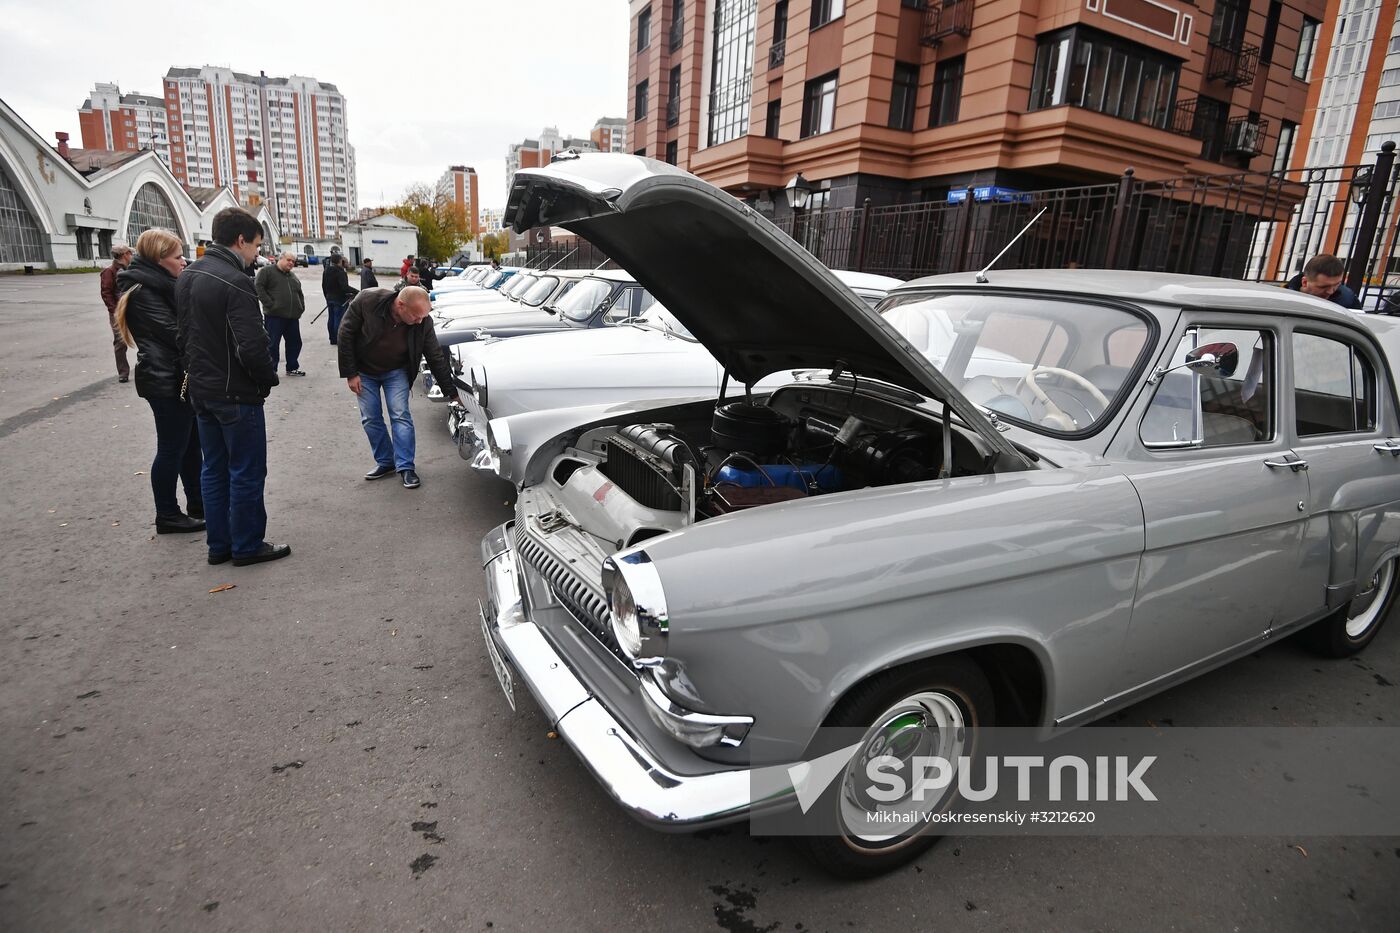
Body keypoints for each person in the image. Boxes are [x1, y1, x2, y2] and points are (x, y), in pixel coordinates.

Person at [176, 206, 290, 568]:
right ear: (240, 240)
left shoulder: (188, 275)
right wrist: (266, 380)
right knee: (245, 471)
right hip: (236, 393)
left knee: (214, 469)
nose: (257, 253)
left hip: (202, 390)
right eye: (256, 245)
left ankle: (219, 544)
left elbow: (183, 336)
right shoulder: (236, 280)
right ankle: (246, 544)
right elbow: (252, 345)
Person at [113, 229, 204, 535]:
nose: (183, 261)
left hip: (177, 376)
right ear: (159, 259)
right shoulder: (143, 291)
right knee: (172, 449)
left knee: (191, 447)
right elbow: (175, 333)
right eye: (178, 257)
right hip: (165, 379)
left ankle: (198, 504)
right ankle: (167, 513)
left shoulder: (162, 286)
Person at [337, 285, 460, 488]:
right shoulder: (367, 301)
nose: (420, 321)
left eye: (423, 317)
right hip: (364, 371)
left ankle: (405, 467)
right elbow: (346, 333)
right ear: (401, 305)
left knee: (400, 414)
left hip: (397, 371)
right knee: (370, 417)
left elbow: (434, 355)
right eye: (416, 316)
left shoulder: (423, 321)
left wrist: (451, 391)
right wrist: (351, 373)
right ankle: (385, 462)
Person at [255, 251, 307, 377]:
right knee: (272, 344)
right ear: (281, 258)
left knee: (295, 343)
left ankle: (292, 367)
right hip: (274, 316)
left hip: (292, 317)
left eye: (293, 261)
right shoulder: (267, 272)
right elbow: (258, 287)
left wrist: (301, 307)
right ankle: (271, 369)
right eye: (288, 260)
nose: (291, 263)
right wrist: (270, 304)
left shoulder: (292, 276)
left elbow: (299, 293)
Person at [100, 244, 134, 382]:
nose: (131, 255)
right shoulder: (109, 271)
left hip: (132, 309)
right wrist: (115, 311)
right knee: (120, 342)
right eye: (130, 253)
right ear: (125, 254)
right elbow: (106, 293)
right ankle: (123, 373)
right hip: (118, 312)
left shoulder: (129, 268)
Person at [1285, 254, 1363, 309]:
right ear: (1304, 282)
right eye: (1324, 287)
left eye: (1337, 284)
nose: (1330, 291)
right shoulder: (1285, 299)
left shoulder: (1348, 298)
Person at [321, 254, 358, 345]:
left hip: (330, 298)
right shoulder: (340, 272)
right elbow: (344, 287)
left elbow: (323, 285)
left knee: (331, 318)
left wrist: (327, 296)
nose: (346, 262)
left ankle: (332, 339)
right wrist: (358, 292)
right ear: (341, 261)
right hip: (339, 299)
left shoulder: (327, 270)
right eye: (344, 261)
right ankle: (338, 339)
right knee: (339, 319)